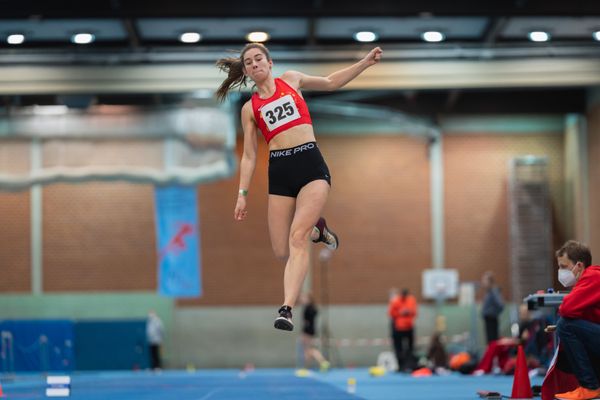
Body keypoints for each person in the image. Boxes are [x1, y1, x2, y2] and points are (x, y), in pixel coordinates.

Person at [216, 43, 383, 331]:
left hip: (310, 165)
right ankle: (318, 230)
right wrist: (241, 195)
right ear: (245, 71)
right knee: (281, 250)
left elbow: (331, 82)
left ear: (270, 63)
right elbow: (249, 155)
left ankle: (286, 309)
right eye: (249, 63)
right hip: (279, 171)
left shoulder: (291, 79)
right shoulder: (249, 109)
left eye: (259, 59)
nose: (255, 64)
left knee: (296, 239)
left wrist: (365, 63)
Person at [552, 240, 600, 400]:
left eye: (563, 267)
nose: (560, 272)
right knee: (567, 332)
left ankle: (589, 386)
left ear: (579, 265)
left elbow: (566, 309)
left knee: (565, 326)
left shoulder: (593, 277)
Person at [388, 288, 418, 371]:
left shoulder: (411, 300)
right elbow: (391, 313)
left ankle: (409, 364)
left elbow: (415, 312)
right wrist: (400, 313)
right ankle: (401, 366)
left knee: (410, 348)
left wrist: (408, 312)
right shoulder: (395, 301)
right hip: (398, 328)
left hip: (408, 327)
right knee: (399, 349)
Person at [299, 292, 330, 371]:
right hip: (312, 330)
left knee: (308, 350)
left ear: (308, 299)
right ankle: (306, 368)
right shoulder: (313, 308)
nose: (301, 299)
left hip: (307, 331)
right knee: (308, 350)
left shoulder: (307, 308)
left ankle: (322, 361)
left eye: (303, 298)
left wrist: (303, 332)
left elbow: (306, 322)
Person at [481, 270, 504, 344]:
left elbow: (501, 305)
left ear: (490, 281)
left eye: (485, 280)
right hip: (488, 319)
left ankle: (494, 355)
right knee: (489, 341)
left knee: (492, 341)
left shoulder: (494, 291)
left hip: (492, 319)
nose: (483, 282)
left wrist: (492, 312)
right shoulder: (488, 292)